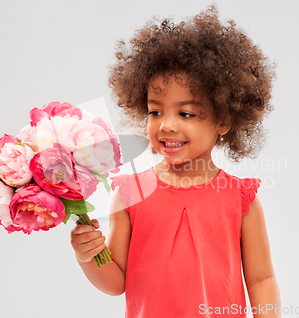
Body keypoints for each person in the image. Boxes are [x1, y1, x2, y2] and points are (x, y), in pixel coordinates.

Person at [71, 5, 281, 318]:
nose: (166, 125)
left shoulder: (240, 199)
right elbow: (117, 282)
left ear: (223, 121)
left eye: (186, 113)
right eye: (155, 111)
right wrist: (89, 257)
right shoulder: (129, 193)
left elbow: (261, 278)